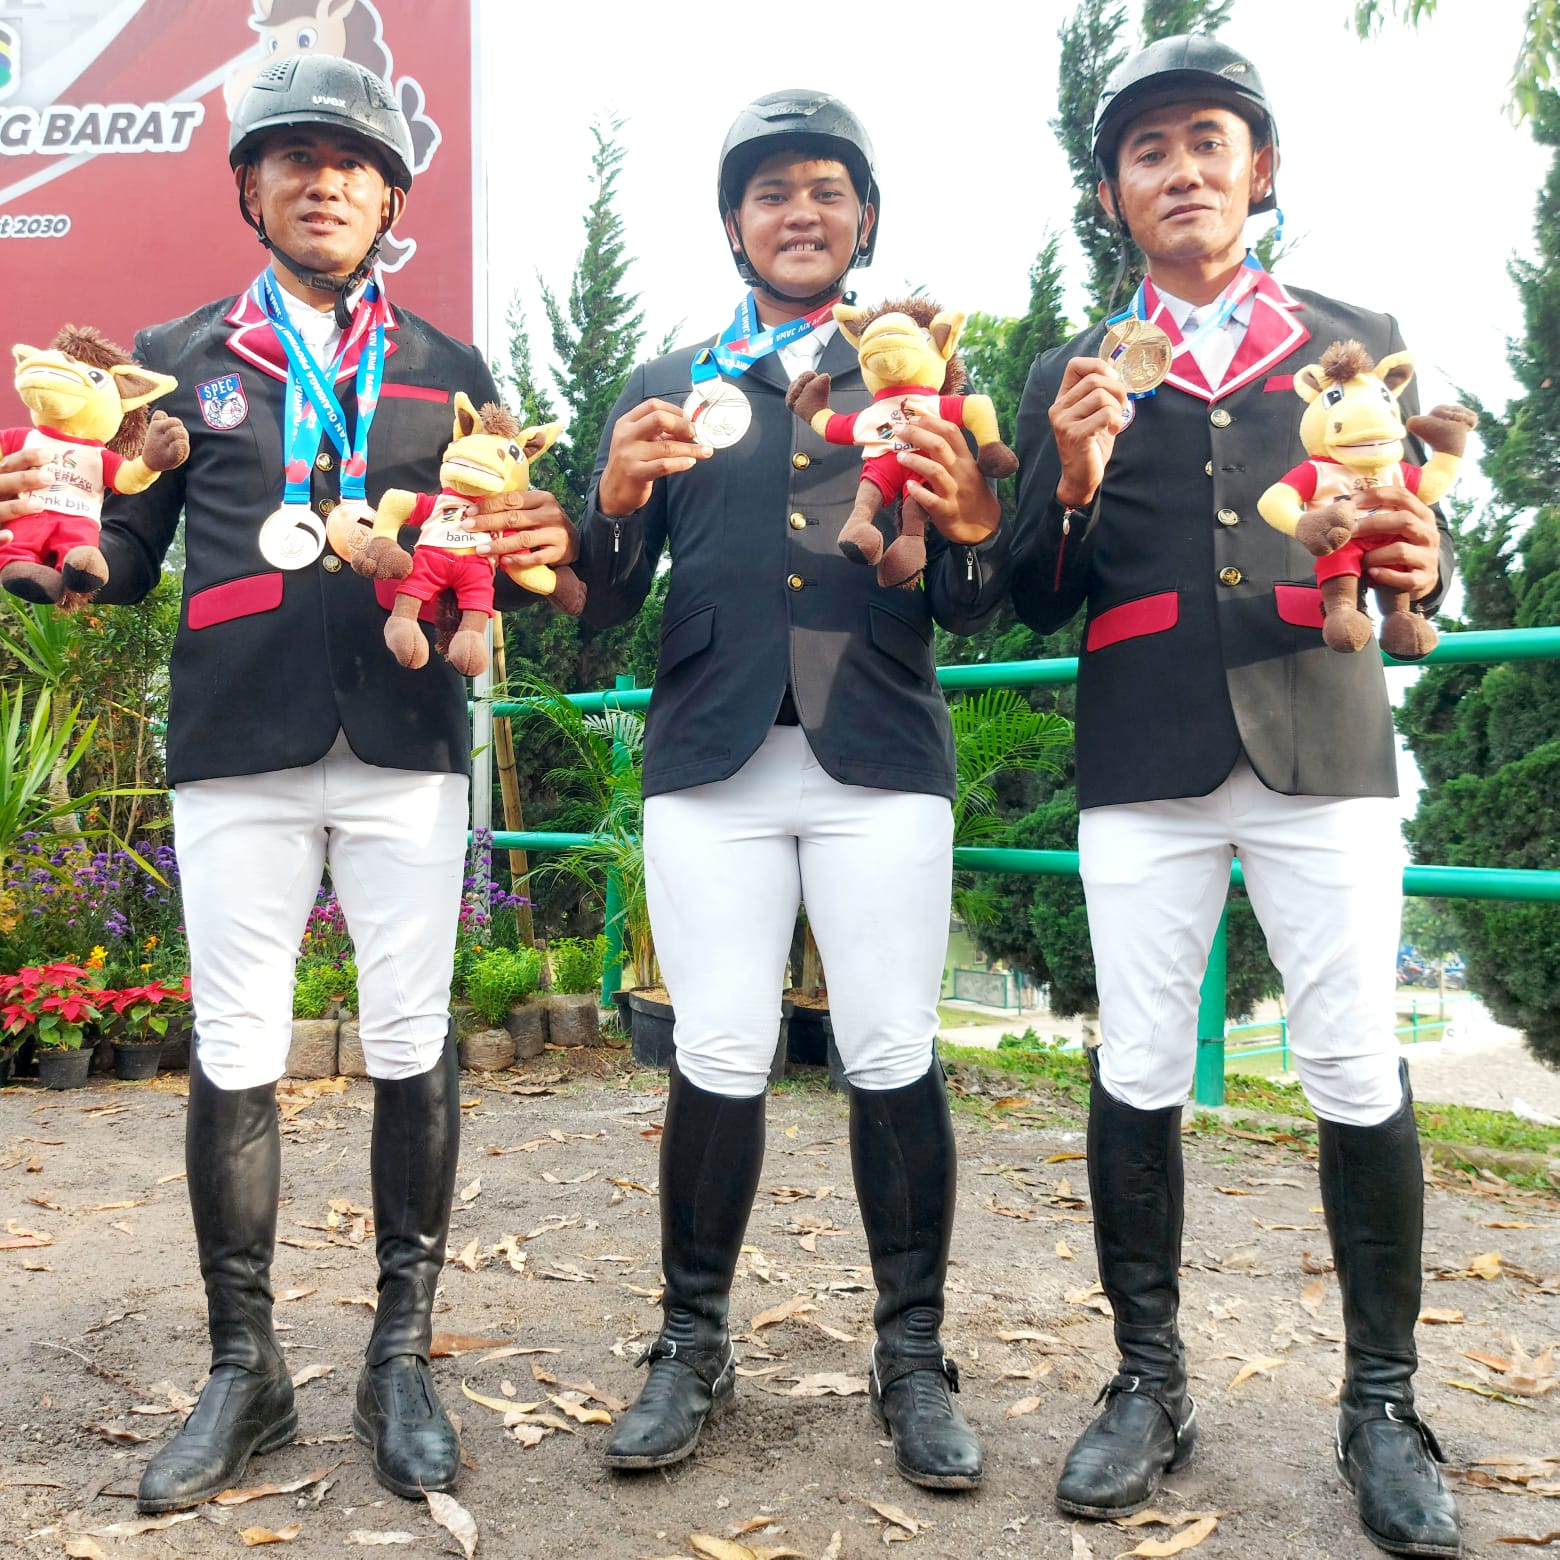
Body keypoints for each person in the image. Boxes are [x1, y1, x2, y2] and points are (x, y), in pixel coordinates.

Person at [94, 55, 576, 1512]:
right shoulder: (175, 354)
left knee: (412, 1033)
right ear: (247, 187)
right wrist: (90, 502)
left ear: (393, 195)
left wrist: (539, 547)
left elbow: (502, 552)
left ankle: (401, 1355)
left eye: (354, 160)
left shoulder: (451, 366)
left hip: (405, 735)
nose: (325, 180)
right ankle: (245, 1368)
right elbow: (115, 573)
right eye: (293, 158)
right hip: (238, 736)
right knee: (236, 1044)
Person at [1009, 36, 1462, 1560]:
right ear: (1113, 194)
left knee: (1349, 1058)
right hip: (1141, 749)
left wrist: (1427, 571)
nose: (1183, 171)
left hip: (1322, 735)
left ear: (1258, 169)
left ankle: (1382, 1404)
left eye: (1209, 142)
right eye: (1149, 152)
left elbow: (1409, 529)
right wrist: (1065, 484)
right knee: (1138, 1060)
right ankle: (1149, 1383)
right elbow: (1022, 592)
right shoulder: (1069, 368)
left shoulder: (1361, 338)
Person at [574, 89, 1009, 1491]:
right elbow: (599, 603)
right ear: (732, 226)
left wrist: (953, 534)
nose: (801, 212)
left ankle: (913, 1356)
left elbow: (979, 599)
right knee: (714, 1049)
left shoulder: (921, 369)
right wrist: (611, 503)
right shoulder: (668, 375)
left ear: (863, 217)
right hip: (709, 758)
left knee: (889, 1047)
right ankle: (690, 1345)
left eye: (827, 188)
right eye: (771, 193)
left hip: (878, 751)